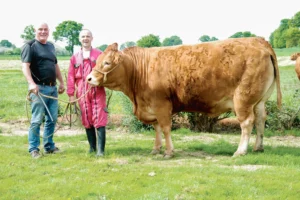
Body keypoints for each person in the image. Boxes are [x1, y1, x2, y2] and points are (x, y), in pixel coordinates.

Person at [21, 22, 65, 158]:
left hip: (52, 88)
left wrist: (61, 82)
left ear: (49, 31)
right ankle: (34, 149)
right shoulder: (30, 46)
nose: (43, 31)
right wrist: (31, 84)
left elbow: (55, 65)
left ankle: (49, 146)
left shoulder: (51, 46)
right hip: (38, 89)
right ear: (35, 30)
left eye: (45, 29)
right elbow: (25, 66)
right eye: (40, 29)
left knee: (52, 119)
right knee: (36, 120)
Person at [67, 29, 108, 156]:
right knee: (87, 117)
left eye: (88, 36)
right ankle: (92, 148)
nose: (85, 38)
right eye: (83, 36)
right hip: (81, 90)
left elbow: (106, 72)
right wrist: (70, 94)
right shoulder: (75, 57)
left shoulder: (100, 55)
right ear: (80, 39)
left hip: (97, 89)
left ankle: (100, 151)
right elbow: (70, 76)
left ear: (92, 38)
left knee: (99, 117)